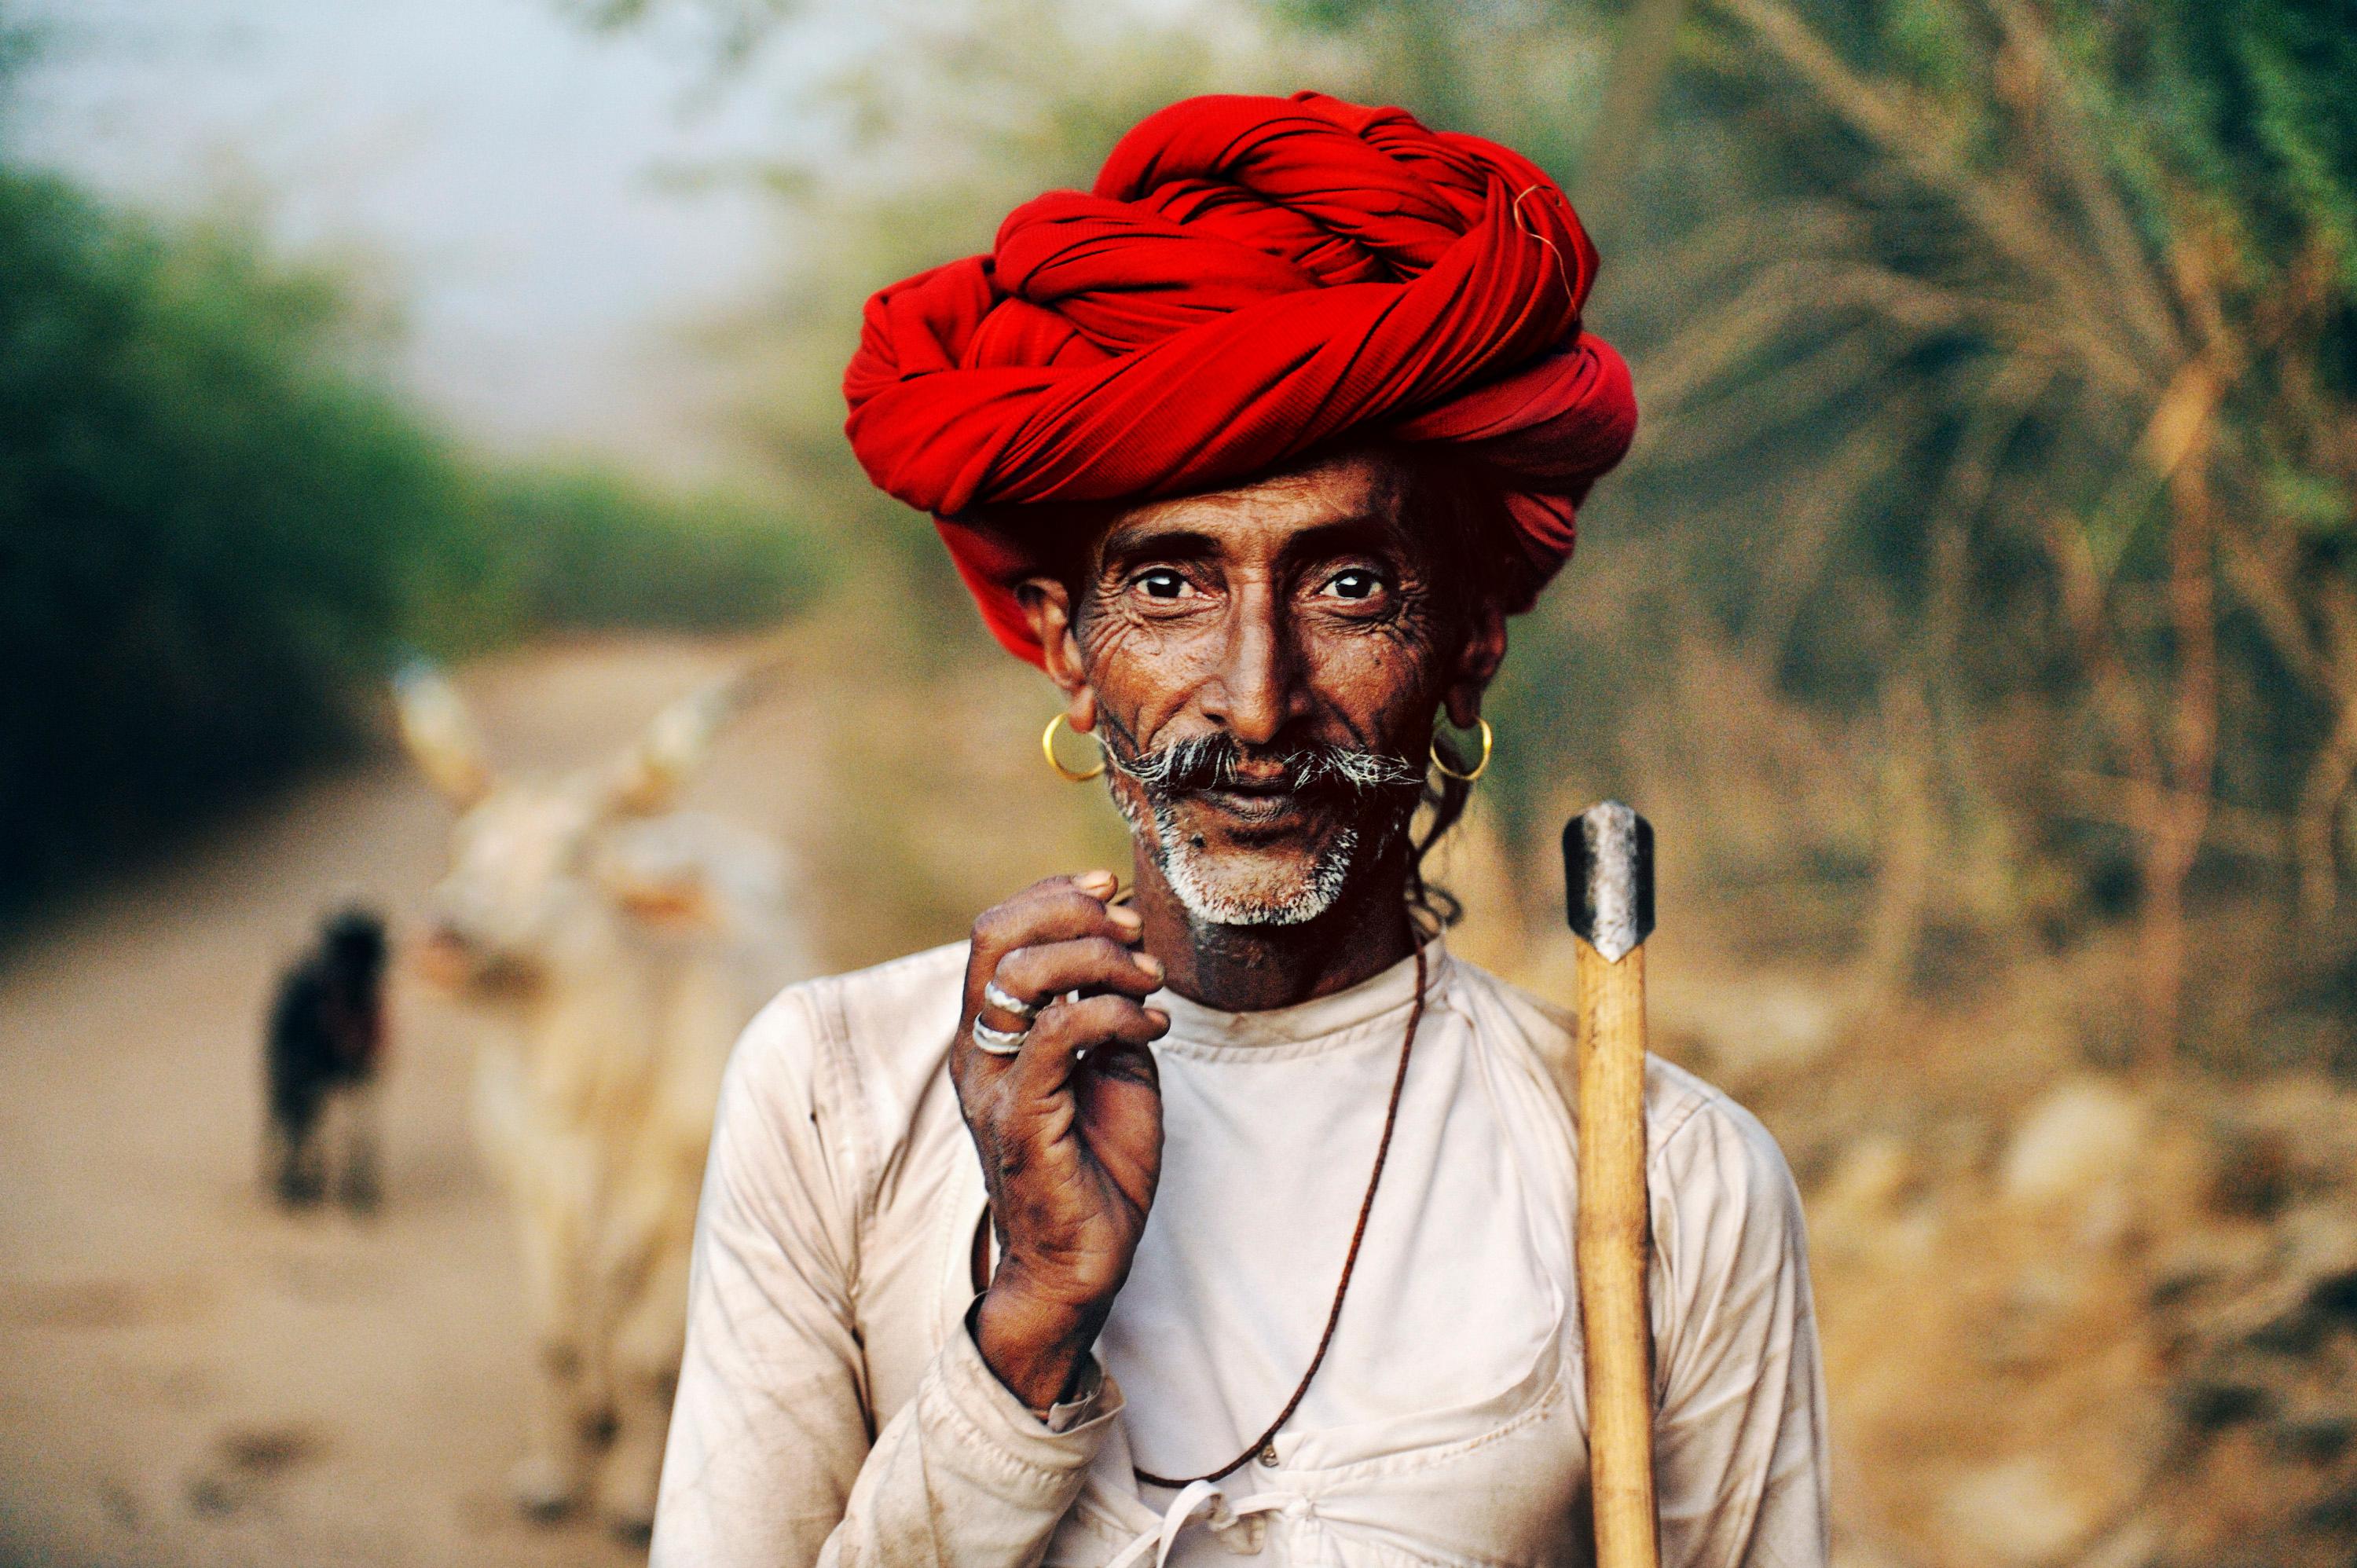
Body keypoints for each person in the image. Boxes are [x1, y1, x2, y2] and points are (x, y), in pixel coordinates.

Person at [650, 91, 1827, 1567]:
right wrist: (1028, 1329)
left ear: (1467, 641)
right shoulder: (834, 1098)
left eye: (1348, 589)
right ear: (1064, 643)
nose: (1258, 704)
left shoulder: (1669, 1177)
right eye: (1168, 588)